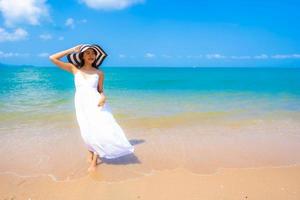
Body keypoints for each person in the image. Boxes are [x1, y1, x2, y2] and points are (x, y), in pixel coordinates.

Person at [49, 44, 135, 172]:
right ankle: (90, 151)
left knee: (97, 129)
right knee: (86, 130)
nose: (91, 55)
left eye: (93, 53)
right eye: (88, 53)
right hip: (81, 104)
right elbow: (52, 58)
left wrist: (103, 97)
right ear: (82, 55)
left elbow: (100, 90)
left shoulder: (99, 73)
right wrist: (72, 49)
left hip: (96, 103)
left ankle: (94, 161)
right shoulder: (74, 69)